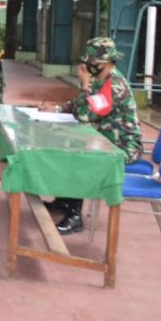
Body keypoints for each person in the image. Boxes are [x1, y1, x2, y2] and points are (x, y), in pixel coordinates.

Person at [40, 37, 143, 234]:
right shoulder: (102, 80)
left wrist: (85, 84)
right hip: (106, 140)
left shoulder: (115, 86)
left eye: (92, 62)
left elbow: (86, 115)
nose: (87, 66)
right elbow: (79, 104)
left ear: (105, 62)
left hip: (122, 147)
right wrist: (56, 109)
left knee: (81, 155)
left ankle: (75, 216)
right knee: (68, 145)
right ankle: (65, 200)